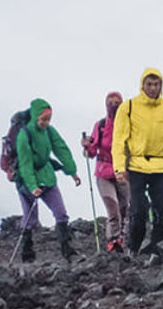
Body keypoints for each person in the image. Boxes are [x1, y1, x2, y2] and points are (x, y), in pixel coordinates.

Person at [112, 67, 163, 253]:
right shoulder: (128, 107)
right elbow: (119, 140)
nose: (153, 88)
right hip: (136, 165)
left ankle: (157, 248)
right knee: (138, 210)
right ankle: (133, 249)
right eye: (149, 84)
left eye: (156, 84)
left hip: (160, 166)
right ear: (142, 85)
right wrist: (120, 168)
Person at [14, 97, 81, 262]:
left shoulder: (49, 131)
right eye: (43, 119)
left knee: (61, 214)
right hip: (26, 180)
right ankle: (27, 254)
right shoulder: (24, 135)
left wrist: (72, 171)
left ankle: (68, 251)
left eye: (48, 119)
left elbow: (61, 148)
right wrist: (32, 186)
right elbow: (25, 164)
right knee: (30, 219)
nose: (46, 123)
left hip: (47, 176)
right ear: (35, 116)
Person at [82, 91, 127, 252]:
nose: (114, 105)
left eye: (117, 102)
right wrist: (87, 146)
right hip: (104, 173)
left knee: (124, 207)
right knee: (113, 207)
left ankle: (121, 238)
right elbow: (92, 152)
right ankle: (113, 240)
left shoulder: (128, 125)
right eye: (111, 102)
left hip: (123, 171)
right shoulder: (101, 126)